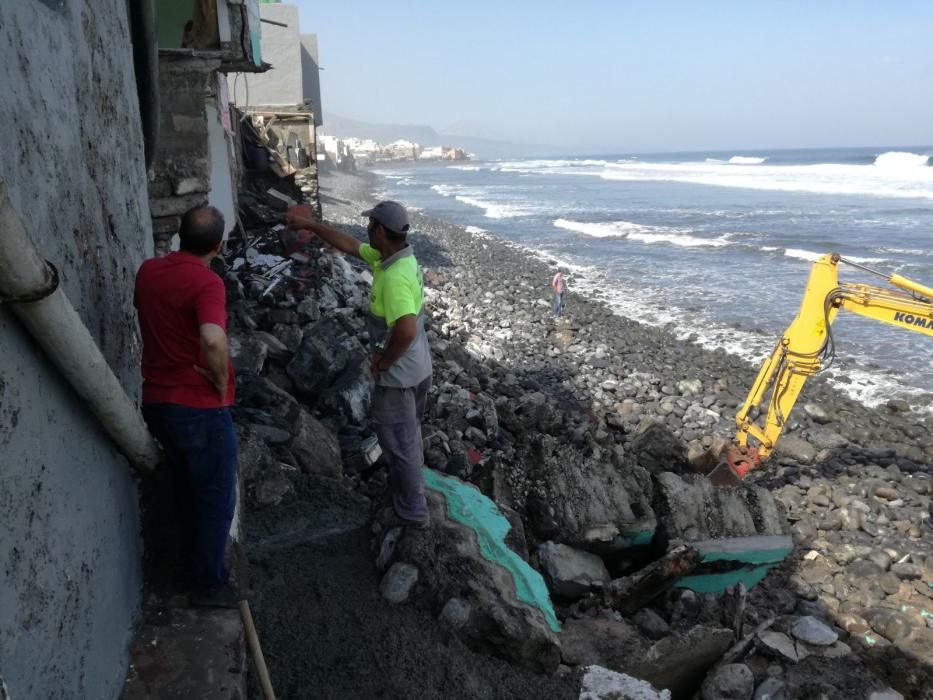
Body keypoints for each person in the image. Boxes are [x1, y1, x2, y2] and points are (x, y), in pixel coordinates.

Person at [286, 201, 432, 528]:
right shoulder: (396, 258)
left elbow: (406, 329)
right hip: (420, 367)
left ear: (380, 230)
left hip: (400, 375)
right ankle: (410, 490)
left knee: (397, 439)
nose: (366, 231)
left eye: (370, 226)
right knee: (410, 435)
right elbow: (351, 245)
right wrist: (311, 226)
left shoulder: (393, 277)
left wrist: (383, 361)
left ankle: (413, 513)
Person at [134, 205, 239, 607]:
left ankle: (184, 568)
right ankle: (209, 586)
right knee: (215, 497)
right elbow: (212, 339)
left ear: (179, 235)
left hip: (156, 402)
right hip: (197, 409)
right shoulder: (207, 283)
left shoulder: (148, 271)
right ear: (219, 245)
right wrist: (216, 376)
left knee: (184, 490)